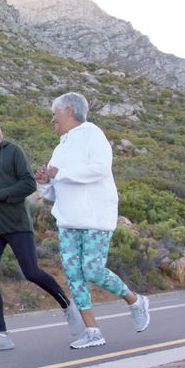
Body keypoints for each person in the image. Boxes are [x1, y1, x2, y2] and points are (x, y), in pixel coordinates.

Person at [35, 92, 150, 349]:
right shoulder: (60, 146)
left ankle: (135, 300)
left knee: (93, 270)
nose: (52, 118)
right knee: (74, 275)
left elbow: (100, 168)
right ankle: (93, 331)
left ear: (69, 111)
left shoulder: (92, 134)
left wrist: (61, 173)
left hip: (95, 217)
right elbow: (54, 191)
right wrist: (43, 183)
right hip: (67, 219)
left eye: (55, 112)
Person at [0, 113, 83, 353]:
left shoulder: (13, 151)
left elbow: (28, 184)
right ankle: (1, 335)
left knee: (31, 272)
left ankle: (68, 306)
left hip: (16, 224)